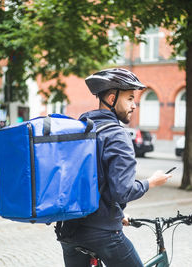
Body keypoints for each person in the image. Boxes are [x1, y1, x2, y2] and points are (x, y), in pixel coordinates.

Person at [58, 68, 172, 267]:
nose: (134, 105)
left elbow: (93, 182)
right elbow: (122, 191)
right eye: (129, 98)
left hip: (69, 230)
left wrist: (117, 214)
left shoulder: (82, 129)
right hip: (101, 233)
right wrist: (151, 182)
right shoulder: (117, 136)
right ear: (112, 98)